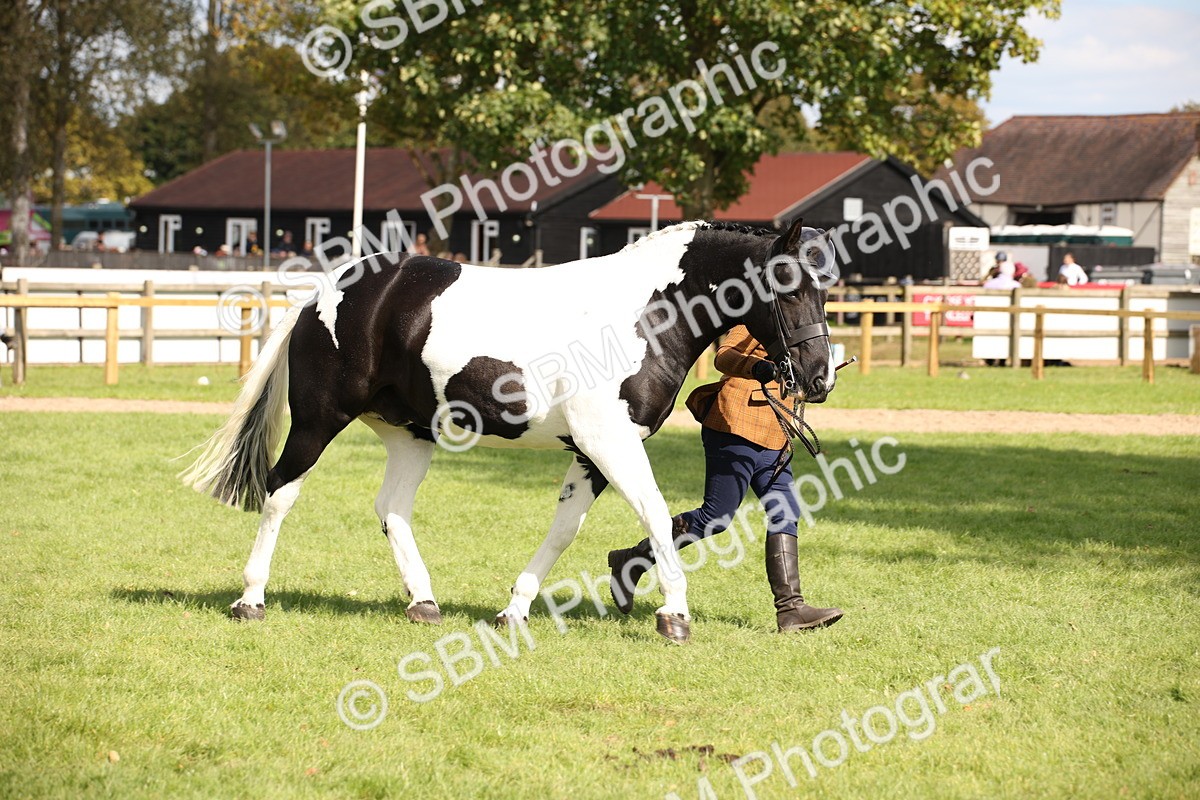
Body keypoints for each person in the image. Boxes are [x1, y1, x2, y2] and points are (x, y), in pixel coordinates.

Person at [606, 324, 844, 633]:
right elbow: (725, 356)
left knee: (785, 512)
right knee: (715, 517)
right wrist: (757, 366)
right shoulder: (759, 315)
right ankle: (632, 560)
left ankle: (791, 610)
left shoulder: (805, 325)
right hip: (735, 424)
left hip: (776, 430)